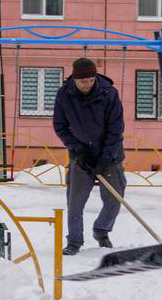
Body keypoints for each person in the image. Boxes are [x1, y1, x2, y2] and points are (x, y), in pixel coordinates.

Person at [53, 57, 126, 255]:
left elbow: (116, 128)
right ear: (74, 79)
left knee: (114, 200)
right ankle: (74, 241)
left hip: (110, 155)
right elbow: (60, 126)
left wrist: (105, 158)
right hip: (81, 156)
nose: (87, 83)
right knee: (75, 202)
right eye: (83, 81)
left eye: (91, 79)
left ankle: (101, 230)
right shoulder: (64, 94)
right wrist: (77, 148)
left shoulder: (109, 93)